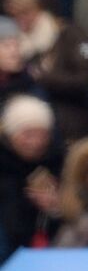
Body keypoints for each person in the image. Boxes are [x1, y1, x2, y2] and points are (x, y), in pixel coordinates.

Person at [0, 94, 64, 260]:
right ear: (10, 134)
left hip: (49, 249)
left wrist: (55, 207)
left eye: (42, 134)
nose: (36, 142)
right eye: (27, 134)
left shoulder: (60, 162)